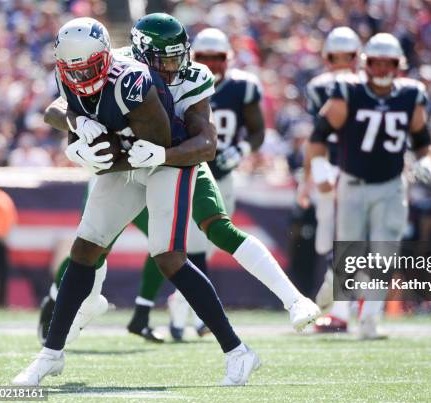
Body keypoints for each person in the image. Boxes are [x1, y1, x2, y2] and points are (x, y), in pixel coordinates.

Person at [38, 19, 319, 346]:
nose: (173, 68)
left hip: (171, 162)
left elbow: (206, 143)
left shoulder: (192, 76)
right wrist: (78, 120)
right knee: (93, 243)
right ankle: (85, 302)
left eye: (177, 57)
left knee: (213, 230)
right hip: (124, 165)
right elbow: (58, 105)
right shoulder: (112, 64)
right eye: (163, 60)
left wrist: (162, 155)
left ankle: (293, 299)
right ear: (141, 53)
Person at [14, 16, 259, 387]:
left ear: (106, 58)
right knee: (84, 249)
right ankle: (50, 355)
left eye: (89, 70)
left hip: (166, 160)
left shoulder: (134, 81)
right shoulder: (70, 74)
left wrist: (99, 153)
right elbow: (67, 110)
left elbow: (167, 144)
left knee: (169, 258)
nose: (81, 78)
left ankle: (238, 352)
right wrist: (79, 131)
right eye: (74, 72)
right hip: (130, 157)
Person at [162, 27, 319, 339]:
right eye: (204, 57)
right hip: (186, 172)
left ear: (228, 59)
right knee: (193, 249)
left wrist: (240, 150)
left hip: (222, 176)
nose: (210, 64)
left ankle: (182, 306)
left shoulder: (242, 87)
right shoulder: (180, 82)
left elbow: (257, 131)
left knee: (208, 245)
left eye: (217, 58)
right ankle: (197, 314)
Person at [304, 33, 431, 338]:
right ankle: (331, 303)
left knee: (383, 253)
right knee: (347, 256)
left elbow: (424, 142)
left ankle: (370, 320)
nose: (381, 69)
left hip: (391, 184)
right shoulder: (348, 90)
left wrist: (426, 161)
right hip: (353, 182)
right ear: (366, 63)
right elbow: (319, 135)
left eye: (387, 63)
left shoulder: (410, 94)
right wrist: (320, 165)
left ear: (398, 64)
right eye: (375, 62)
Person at [297, 26, 362, 333]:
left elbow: (316, 136)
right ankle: (338, 302)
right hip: (358, 169)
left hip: (327, 168)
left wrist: (308, 176)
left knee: (331, 242)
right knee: (347, 241)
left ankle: (337, 303)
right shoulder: (365, 84)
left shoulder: (319, 85)